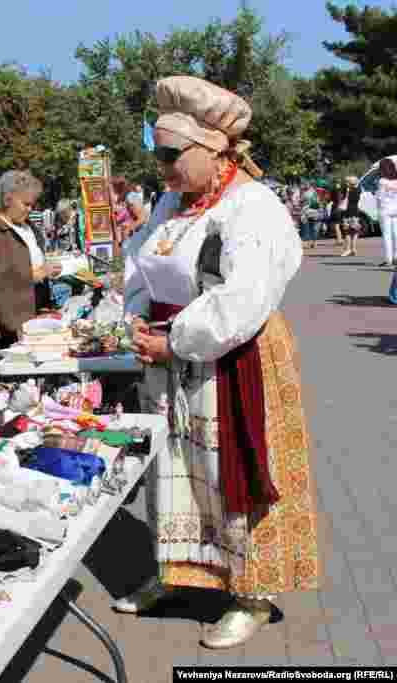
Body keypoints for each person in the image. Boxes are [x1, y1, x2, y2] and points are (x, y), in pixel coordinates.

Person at [120, 75, 320, 649]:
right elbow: (140, 266)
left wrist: (177, 339)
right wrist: (132, 317)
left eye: (170, 155)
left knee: (234, 474)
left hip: (232, 357)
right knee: (173, 474)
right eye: (156, 154)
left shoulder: (251, 206)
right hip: (170, 357)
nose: (161, 168)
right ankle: (176, 574)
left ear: (213, 151)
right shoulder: (170, 203)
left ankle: (252, 594)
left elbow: (245, 296)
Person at [0, 170, 61, 362]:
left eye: (32, 204)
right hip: (10, 325)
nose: (29, 209)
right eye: (25, 204)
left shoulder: (28, 227)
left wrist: (48, 269)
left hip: (36, 314)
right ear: (8, 199)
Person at [376, 158, 397, 268]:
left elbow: (380, 197)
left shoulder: (382, 181)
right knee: (396, 234)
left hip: (385, 210)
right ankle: (396, 257)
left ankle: (388, 259)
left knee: (387, 235)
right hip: (396, 209)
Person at [340, 176, 362, 257]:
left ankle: (348, 249)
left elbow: (344, 199)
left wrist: (347, 191)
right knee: (355, 231)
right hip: (355, 211)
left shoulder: (349, 191)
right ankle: (353, 249)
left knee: (347, 232)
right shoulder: (359, 190)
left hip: (348, 212)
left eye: (348, 182)